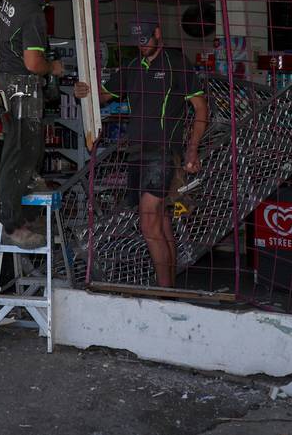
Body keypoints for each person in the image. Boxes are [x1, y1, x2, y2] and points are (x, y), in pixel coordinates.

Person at [75, 18, 209, 288]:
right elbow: (102, 95)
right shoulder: (133, 67)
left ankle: (162, 295)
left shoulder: (176, 63)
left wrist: (192, 149)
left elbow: (201, 109)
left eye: (146, 39)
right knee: (160, 223)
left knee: (149, 223)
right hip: (136, 153)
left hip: (163, 152)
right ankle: (170, 292)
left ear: (158, 34)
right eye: (137, 41)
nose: (142, 45)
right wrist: (83, 90)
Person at [0, 0, 63, 249]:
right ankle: (12, 226)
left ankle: (26, 217)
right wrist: (52, 68)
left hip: (6, 83)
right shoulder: (32, 9)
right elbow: (34, 63)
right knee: (19, 154)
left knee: (27, 151)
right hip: (22, 86)